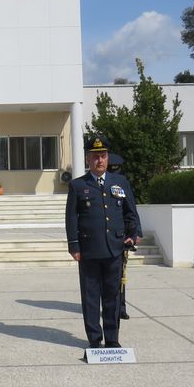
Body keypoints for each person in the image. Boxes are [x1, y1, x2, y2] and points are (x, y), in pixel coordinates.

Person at [65, 136, 141, 349]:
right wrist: (74, 245)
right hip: (89, 250)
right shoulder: (78, 185)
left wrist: (133, 233)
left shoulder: (120, 182)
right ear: (88, 159)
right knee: (90, 297)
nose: (100, 160)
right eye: (95, 156)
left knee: (112, 296)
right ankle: (95, 339)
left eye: (103, 156)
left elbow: (130, 212)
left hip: (115, 248)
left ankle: (112, 337)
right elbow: (72, 218)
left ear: (108, 158)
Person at [108, 152, 142, 321]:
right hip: (109, 235)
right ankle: (114, 305)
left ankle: (121, 307)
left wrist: (136, 232)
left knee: (121, 274)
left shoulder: (122, 182)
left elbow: (131, 208)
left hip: (122, 234)